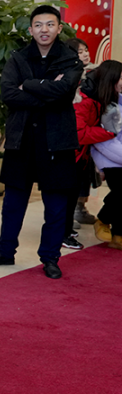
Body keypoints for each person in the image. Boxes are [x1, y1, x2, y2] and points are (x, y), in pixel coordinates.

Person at [0, 5, 83, 279]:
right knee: (13, 203)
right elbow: (8, 94)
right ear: (30, 29)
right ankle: (5, 252)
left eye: (50, 24)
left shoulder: (71, 60)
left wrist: (29, 85)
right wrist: (47, 92)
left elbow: (64, 93)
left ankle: (50, 258)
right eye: (38, 25)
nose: (44, 30)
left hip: (57, 140)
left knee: (56, 206)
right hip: (21, 138)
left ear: (59, 28)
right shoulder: (18, 58)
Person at [65, 37, 98, 229]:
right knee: (72, 171)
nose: (85, 54)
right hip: (72, 129)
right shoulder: (67, 74)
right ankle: (67, 213)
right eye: (80, 52)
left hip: (90, 128)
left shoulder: (95, 72)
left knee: (86, 172)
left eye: (86, 50)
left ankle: (80, 207)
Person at [91, 77, 122, 250]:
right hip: (109, 156)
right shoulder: (104, 105)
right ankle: (108, 225)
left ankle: (113, 229)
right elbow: (103, 139)